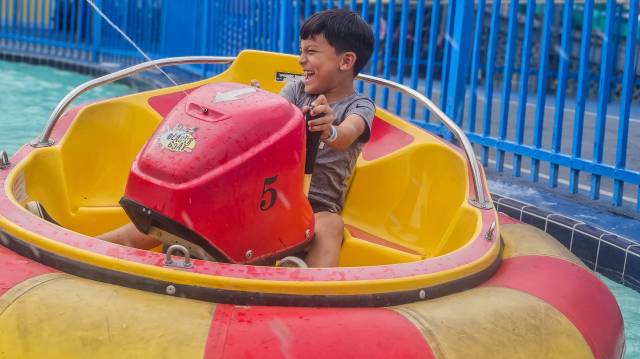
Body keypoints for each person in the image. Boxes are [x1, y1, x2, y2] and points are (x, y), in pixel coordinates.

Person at [38, 9, 375, 268]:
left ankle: (308, 286)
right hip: (266, 198)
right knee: (174, 212)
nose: (301, 59)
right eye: (301, 50)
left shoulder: (359, 106)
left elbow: (347, 136)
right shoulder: (295, 90)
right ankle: (85, 246)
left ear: (346, 61)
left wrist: (328, 130)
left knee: (331, 225)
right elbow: (270, 127)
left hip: (313, 208)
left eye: (312, 52)